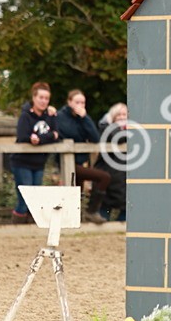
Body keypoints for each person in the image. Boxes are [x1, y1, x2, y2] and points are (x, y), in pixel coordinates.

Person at [56, 89, 110, 224]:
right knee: (104, 177)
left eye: (83, 103)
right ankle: (91, 212)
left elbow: (95, 138)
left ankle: (82, 217)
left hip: (81, 162)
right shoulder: (60, 117)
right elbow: (69, 134)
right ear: (69, 102)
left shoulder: (83, 118)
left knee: (77, 194)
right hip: (67, 162)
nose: (80, 105)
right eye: (77, 102)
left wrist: (85, 118)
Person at [11, 81, 60, 224]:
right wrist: (43, 138)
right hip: (22, 162)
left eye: (46, 98)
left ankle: (32, 228)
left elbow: (57, 135)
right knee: (25, 199)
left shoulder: (51, 115)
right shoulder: (25, 116)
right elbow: (23, 136)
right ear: (34, 98)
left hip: (39, 163)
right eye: (41, 97)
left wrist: (40, 139)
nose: (43, 101)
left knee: (35, 200)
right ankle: (16, 227)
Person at [96, 103, 128, 221]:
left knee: (125, 212)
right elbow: (118, 138)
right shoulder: (106, 129)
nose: (121, 117)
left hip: (123, 177)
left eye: (124, 114)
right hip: (110, 175)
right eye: (118, 115)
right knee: (105, 211)